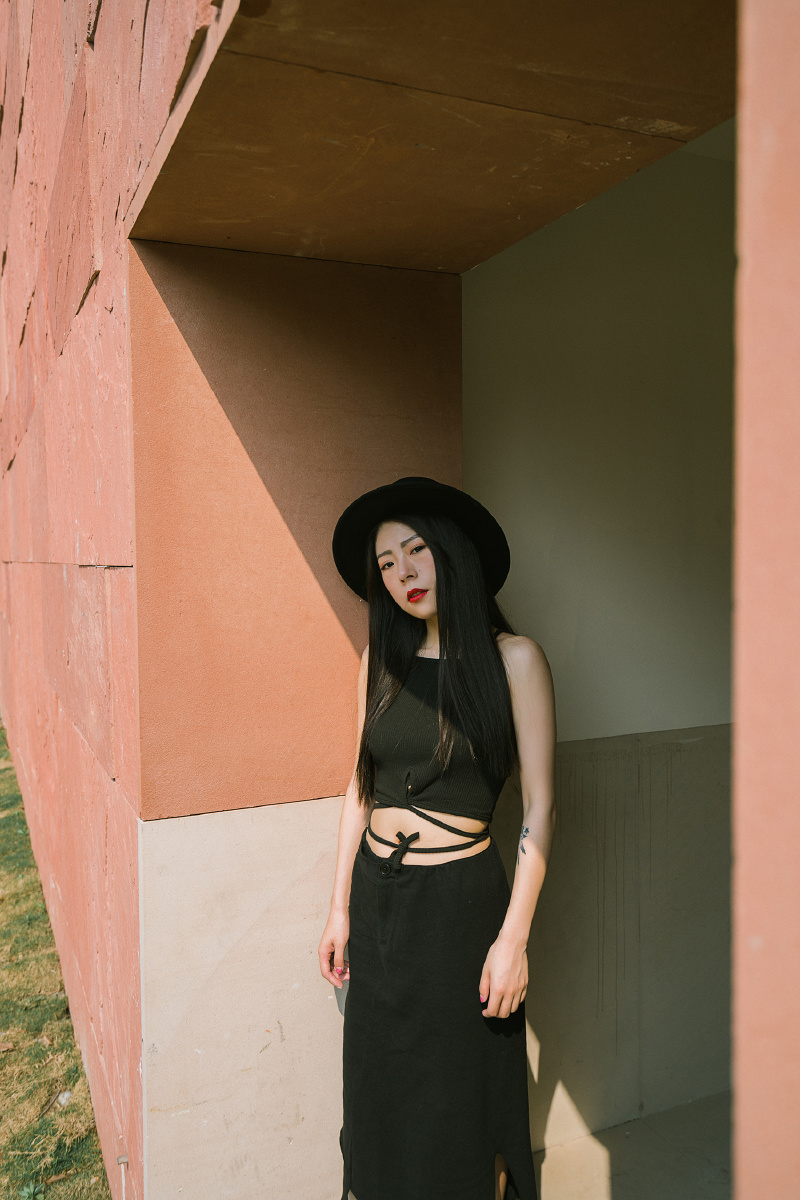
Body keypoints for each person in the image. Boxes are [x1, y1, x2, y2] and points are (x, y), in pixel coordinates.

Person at [319, 476, 557, 1200]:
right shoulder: (380, 661)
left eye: (416, 550)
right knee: (380, 1087)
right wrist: (338, 908)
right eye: (387, 563)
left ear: (452, 551)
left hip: (461, 906)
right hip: (380, 900)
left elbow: (541, 808)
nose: (404, 573)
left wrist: (513, 940)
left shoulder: (514, 660)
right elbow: (359, 787)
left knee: (462, 1098)